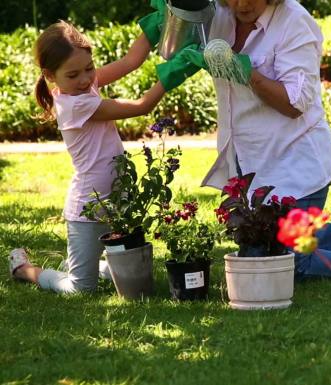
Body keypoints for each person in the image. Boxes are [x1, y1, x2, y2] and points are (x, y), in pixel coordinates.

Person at [173, 0, 331, 276]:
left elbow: (294, 104)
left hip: (296, 168)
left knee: (278, 264)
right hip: (251, 165)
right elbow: (172, 40)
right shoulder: (219, 16)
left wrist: (248, 73)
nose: (241, 4)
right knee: (256, 254)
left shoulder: (293, 22)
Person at [8, 15, 194, 293]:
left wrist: (154, 28)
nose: (85, 79)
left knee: (123, 268)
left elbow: (130, 62)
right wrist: (171, 76)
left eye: (89, 68)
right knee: (81, 289)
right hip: (88, 208)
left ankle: (81, 265)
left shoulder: (83, 85)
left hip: (117, 195)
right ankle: (24, 269)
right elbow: (141, 106)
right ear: (50, 76)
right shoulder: (75, 105)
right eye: (73, 75)